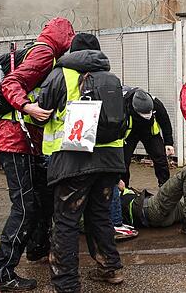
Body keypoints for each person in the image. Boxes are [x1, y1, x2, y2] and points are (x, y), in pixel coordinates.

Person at [0, 17, 74, 292]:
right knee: (24, 207)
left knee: (39, 200)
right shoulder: (44, 53)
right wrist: (28, 107)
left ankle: (36, 248)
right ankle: (0, 273)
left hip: (22, 139)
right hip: (15, 139)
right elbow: (11, 82)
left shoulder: (42, 51)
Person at [36, 34, 126, 291]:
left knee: (66, 220)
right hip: (110, 159)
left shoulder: (60, 75)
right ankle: (109, 268)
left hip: (73, 159)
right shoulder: (111, 78)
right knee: (100, 215)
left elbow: (43, 110)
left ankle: (66, 282)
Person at [122, 88, 174, 187]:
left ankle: (165, 186)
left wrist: (169, 143)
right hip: (130, 134)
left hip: (149, 133)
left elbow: (165, 122)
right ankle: (124, 189)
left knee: (160, 158)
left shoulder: (156, 104)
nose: (148, 116)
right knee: (123, 161)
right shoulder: (123, 104)